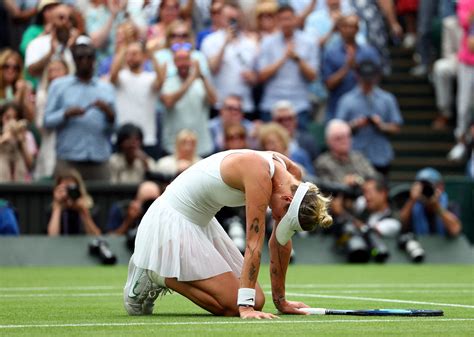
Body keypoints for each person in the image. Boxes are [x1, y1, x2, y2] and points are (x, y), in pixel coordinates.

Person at [123, 149, 333, 319]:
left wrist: (281, 302)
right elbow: (253, 243)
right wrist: (245, 309)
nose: (279, 221)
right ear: (288, 200)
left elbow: (280, 242)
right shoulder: (259, 174)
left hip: (202, 223)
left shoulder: (292, 176)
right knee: (237, 305)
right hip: (172, 219)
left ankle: (162, 270)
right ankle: (157, 273)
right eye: (284, 219)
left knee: (257, 300)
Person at [44, 42, 116, 181]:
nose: (85, 61)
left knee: (103, 200)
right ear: (74, 60)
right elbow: (47, 121)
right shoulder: (58, 86)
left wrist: (108, 113)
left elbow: (114, 128)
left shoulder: (106, 88)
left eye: (89, 57)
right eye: (80, 57)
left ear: (94, 60)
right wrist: (65, 114)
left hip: (98, 158)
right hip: (68, 159)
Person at [336, 59, 403, 175]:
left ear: (376, 77)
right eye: (365, 79)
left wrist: (381, 125)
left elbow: (396, 127)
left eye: (370, 79)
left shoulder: (387, 99)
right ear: (358, 76)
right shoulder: (347, 100)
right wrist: (355, 125)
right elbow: (337, 129)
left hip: (381, 156)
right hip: (355, 157)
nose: (367, 82)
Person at [256, 4, 318, 126]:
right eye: (282, 19)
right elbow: (261, 76)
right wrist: (283, 58)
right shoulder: (267, 43)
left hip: (299, 105)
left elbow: (313, 76)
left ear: (295, 19)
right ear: (277, 21)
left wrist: (298, 59)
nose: (286, 23)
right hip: (271, 104)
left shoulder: (309, 42)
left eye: (289, 19)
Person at [399, 167, 462, 237]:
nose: (426, 190)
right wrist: (412, 199)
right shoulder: (412, 205)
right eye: (422, 187)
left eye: (429, 186)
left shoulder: (450, 205)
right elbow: (401, 223)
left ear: (441, 187)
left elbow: (455, 230)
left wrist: (436, 205)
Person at [47, 168, 102, 236]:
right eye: (64, 189)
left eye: (71, 189)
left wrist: (83, 211)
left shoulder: (92, 209)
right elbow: (52, 238)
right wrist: (58, 207)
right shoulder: (52, 210)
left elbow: (96, 237)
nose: (68, 193)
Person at [0, 102, 37, 182]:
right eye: (7, 117)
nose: (12, 121)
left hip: (20, 184)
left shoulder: (27, 136)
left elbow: (30, 165)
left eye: (15, 118)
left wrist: (22, 142)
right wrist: (3, 139)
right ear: (1, 117)